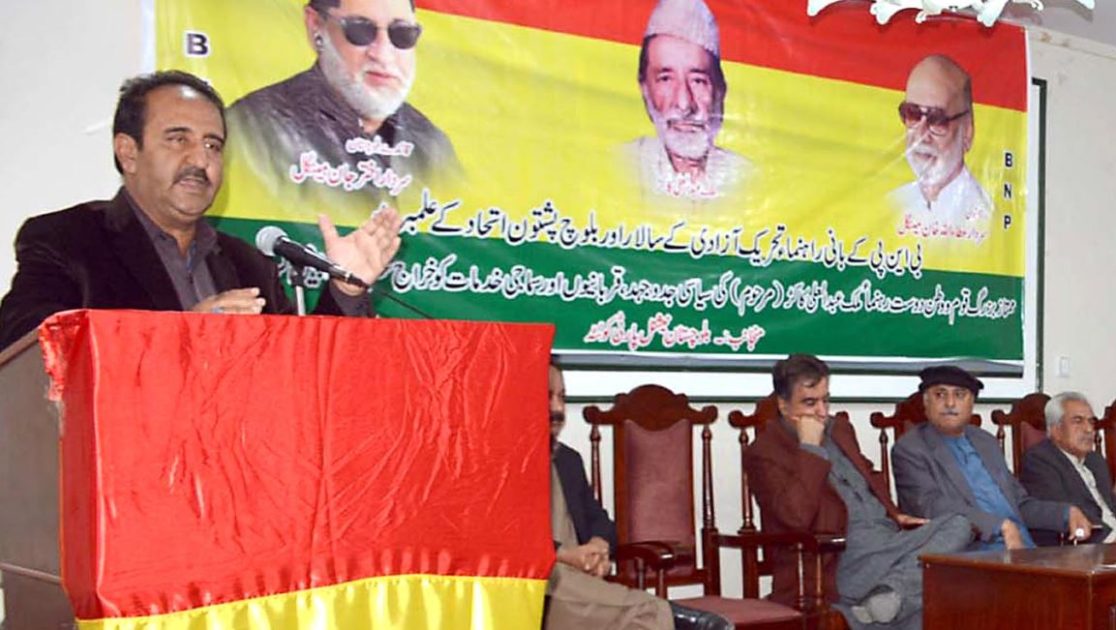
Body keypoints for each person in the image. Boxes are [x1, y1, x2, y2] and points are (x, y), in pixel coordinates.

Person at [0, 70, 402, 351]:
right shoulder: (68, 239)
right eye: (178, 139)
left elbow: (303, 369)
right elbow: (30, 345)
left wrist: (345, 291)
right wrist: (180, 338)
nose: (200, 160)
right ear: (128, 151)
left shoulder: (249, 265)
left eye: (213, 145)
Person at [744, 354, 971, 629]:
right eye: (810, 403)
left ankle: (890, 595)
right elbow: (795, 517)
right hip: (838, 556)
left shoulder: (839, 429)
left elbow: (868, 474)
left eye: (826, 400)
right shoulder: (764, 452)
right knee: (938, 593)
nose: (821, 412)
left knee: (960, 524)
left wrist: (895, 514)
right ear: (783, 404)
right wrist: (810, 449)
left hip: (887, 542)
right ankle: (887, 600)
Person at [545, 362, 729, 630]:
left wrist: (598, 547)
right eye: (548, 396)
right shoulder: (501, 465)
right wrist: (566, 555)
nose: (558, 408)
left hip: (581, 581)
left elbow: (600, 520)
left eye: (562, 397)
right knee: (645, 615)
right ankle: (671, 617)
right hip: (539, 584)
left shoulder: (568, 460)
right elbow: (509, 544)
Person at [227, 0, 462, 208]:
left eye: (402, 34)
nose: (383, 54)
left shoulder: (432, 144)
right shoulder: (254, 127)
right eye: (360, 31)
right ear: (316, 26)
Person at [892, 366, 1092, 550]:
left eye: (959, 395)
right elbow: (931, 506)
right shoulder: (910, 449)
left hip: (1022, 547)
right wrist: (998, 525)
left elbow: (1019, 503)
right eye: (940, 394)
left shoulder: (985, 442)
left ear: (971, 403)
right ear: (926, 402)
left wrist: (1065, 513)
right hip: (969, 553)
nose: (950, 403)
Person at [621, 0, 752, 201]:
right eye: (666, 79)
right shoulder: (623, 164)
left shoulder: (746, 178)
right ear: (645, 89)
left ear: (720, 90)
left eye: (698, 81)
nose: (684, 104)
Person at [889, 55, 993, 243]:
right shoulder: (891, 205)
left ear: (967, 132)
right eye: (912, 114)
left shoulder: (986, 222)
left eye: (937, 120)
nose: (921, 134)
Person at [1020, 392, 1116, 545]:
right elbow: (1066, 515)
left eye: (1091, 422)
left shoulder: (1095, 460)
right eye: (1078, 421)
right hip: (1090, 545)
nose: (1089, 429)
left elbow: (1108, 508)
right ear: (1056, 430)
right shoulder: (1039, 461)